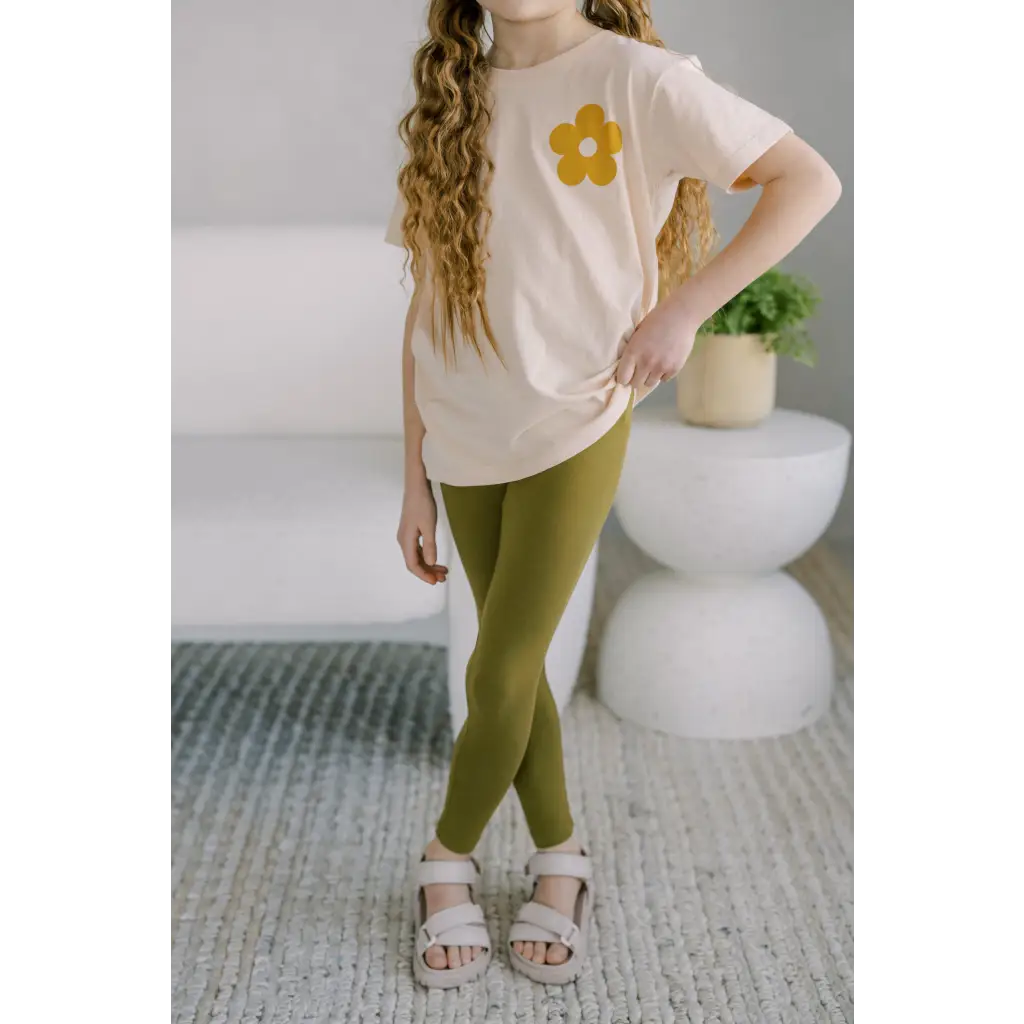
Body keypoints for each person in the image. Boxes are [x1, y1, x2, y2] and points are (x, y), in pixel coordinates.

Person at [386, 0, 841, 988]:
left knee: (502, 668)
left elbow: (808, 179)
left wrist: (685, 310)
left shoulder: (641, 79)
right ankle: (562, 855)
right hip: (461, 425)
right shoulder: (452, 98)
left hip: (579, 413)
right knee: (509, 666)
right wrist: (413, 473)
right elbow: (426, 302)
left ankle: (444, 857)